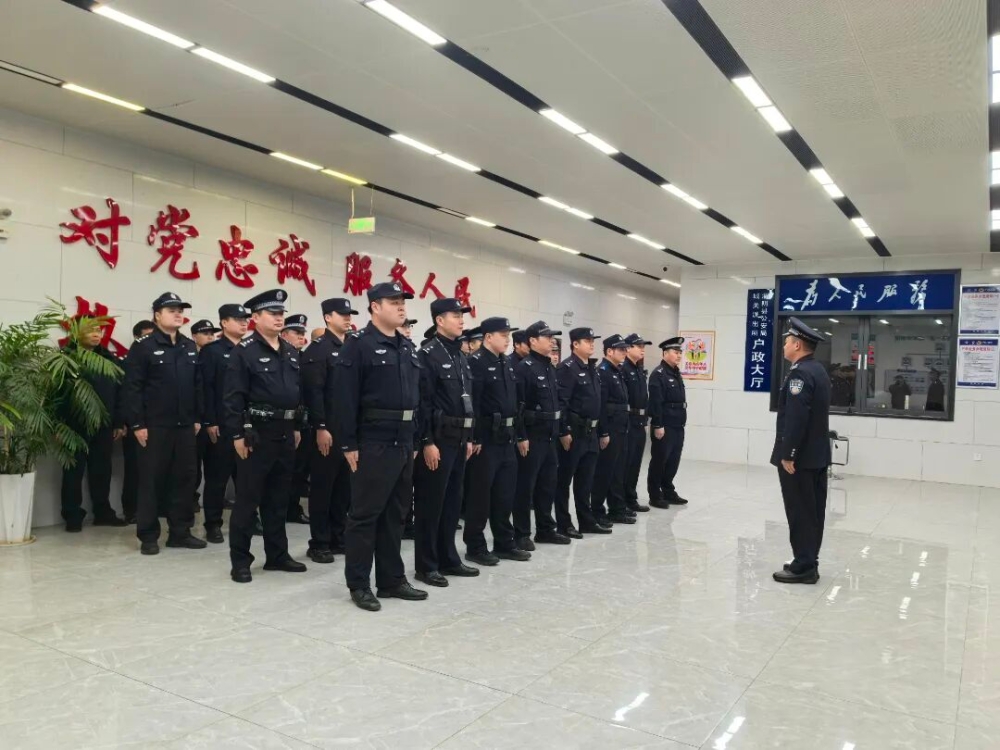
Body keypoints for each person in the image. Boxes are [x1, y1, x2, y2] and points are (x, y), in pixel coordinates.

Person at [330, 281, 428, 612]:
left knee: (395, 514)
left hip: (403, 442)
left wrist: (415, 439)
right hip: (373, 441)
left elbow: (416, 398)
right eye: (393, 301)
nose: (401, 306)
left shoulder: (406, 346)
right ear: (375, 307)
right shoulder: (358, 345)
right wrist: (348, 444)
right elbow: (343, 398)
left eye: (403, 301)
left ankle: (391, 579)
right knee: (364, 515)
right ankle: (359, 583)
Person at [224, 289, 308, 583]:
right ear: (256, 318)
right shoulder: (244, 351)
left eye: (281, 313)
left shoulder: (291, 351)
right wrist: (237, 434)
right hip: (256, 434)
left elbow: (297, 393)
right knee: (248, 500)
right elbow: (233, 397)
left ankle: (277, 555)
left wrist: (296, 427)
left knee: (278, 498)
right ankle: (240, 561)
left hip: (285, 432)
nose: (279, 318)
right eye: (272, 313)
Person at [122, 292, 205, 555]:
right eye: (171, 310)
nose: (178, 314)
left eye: (180, 310)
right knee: (151, 481)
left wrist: (197, 418)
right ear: (157, 315)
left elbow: (197, 385)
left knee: (184, 479)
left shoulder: (188, 345)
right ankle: (148, 535)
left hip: (185, 426)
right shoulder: (143, 346)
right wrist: (137, 424)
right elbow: (132, 387)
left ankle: (180, 532)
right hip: (154, 426)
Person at [413, 298, 479, 587]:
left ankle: (448, 558)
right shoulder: (428, 354)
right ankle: (426, 565)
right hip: (437, 441)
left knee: (452, 503)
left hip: (458, 439)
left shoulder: (460, 355)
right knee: (431, 504)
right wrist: (427, 441)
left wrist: (469, 438)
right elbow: (423, 403)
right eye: (455, 315)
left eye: (461, 315)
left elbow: (466, 401)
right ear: (439, 320)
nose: (461, 319)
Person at [464, 317, 531, 565]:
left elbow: (516, 405)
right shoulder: (476, 362)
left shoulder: (507, 363)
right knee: (480, 497)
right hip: (486, 440)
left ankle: (504, 543)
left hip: (507, 438)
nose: (508, 339)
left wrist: (520, 435)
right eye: (503, 335)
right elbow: (473, 403)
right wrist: (475, 437)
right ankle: (475, 546)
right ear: (488, 337)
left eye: (509, 335)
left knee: (504, 495)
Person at [771, 317, 831, 585]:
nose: (784, 345)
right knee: (814, 511)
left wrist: (788, 454)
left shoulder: (799, 374)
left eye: (787, 341)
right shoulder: (818, 370)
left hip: (800, 459)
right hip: (816, 455)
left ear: (797, 345)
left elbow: (796, 418)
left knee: (800, 511)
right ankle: (808, 559)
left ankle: (804, 566)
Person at [302, 297, 357, 564]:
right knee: (323, 488)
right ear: (327, 317)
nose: (347, 318)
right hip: (328, 429)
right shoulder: (319, 349)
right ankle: (319, 542)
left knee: (344, 488)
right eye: (341, 314)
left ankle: (338, 536)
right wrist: (320, 427)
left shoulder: (352, 346)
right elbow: (314, 392)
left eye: (349, 314)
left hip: (349, 431)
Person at [60, 321, 127, 532]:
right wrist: (58, 426)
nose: (96, 334)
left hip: (104, 425)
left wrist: (118, 422)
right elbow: (56, 394)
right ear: (77, 332)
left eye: (99, 330)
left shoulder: (108, 359)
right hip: (73, 425)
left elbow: (119, 393)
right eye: (91, 330)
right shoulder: (66, 358)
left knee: (102, 470)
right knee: (73, 472)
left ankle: (102, 512)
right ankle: (72, 515)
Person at [198, 303, 251, 543]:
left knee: (247, 478)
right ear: (224, 323)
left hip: (247, 425)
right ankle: (213, 524)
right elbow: (206, 388)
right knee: (217, 478)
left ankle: (248, 520)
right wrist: (209, 420)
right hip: (221, 424)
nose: (243, 323)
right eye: (238, 319)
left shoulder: (250, 349)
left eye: (245, 319)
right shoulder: (213, 351)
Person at [514, 320, 569, 548]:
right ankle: (521, 533)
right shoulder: (524, 368)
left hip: (550, 436)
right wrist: (521, 436)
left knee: (548, 485)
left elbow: (558, 403)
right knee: (526, 487)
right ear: (533, 341)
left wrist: (562, 430)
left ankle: (546, 530)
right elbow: (517, 406)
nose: (552, 341)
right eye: (547, 337)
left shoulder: (549, 368)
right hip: (532, 435)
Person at [554, 327, 608, 537]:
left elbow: (597, 403)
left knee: (586, 481)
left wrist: (601, 431)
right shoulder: (567, 368)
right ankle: (564, 523)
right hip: (574, 432)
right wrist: (563, 431)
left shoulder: (591, 368)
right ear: (575, 344)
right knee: (564, 480)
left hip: (591, 432)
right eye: (587, 341)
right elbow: (562, 403)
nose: (592, 344)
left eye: (592, 340)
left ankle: (586, 521)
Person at [591, 335, 633, 525]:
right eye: (621, 350)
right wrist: (604, 432)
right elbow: (601, 406)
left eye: (625, 349)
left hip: (621, 427)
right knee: (604, 472)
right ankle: (597, 511)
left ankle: (617, 508)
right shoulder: (603, 372)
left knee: (617, 471)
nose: (624, 353)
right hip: (611, 428)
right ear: (609, 351)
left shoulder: (617, 371)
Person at [647, 337, 688, 509]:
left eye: (680, 352)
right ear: (665, 353)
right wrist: (658, 425)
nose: (679, 355)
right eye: (675, 352)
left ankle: (668, 490)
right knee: (660, 460)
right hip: (665, 425)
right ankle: (655, 495)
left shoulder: (675, 373)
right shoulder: (658, 374)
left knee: (673, 460)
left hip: (678, 424)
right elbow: (655, 402)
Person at [120, 319, 154, 524]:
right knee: (134, 469)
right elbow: (127, 394)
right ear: (137, 337)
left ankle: (153, 508)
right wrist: (128, 422)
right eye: (147, 336)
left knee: (154, 470)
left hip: (156, 423)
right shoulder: (130, 359)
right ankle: (131, 510)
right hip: (135, 423)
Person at [281, 314, 311, 524]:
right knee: (283, 471)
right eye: (296, 333)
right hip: (284, 422)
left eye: (303, 333)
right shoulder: (279, 356)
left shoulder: (305, 358)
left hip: (304, 422)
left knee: (300, 469)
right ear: (284, 334)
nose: (301, 337)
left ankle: (292, 508)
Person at [190, 319, 221, 515]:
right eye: (205, 334)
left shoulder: (216, 356)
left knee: (214, 464)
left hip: (215, 418)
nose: (210, 337)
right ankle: (191, 498)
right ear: (194, 336)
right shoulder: (189, 356)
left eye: (212, 334)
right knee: (192, 465)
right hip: (195, 420)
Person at [622, 334, 651, 514]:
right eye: (639, 346)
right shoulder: (623, 369)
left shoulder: (639, 369)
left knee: (635, 464)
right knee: (625, 464)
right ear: (628, 348)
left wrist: (645, 420)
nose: (642, 349)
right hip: (629, 422)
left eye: (643, 346)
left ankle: (631, 498)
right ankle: (622, 501)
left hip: (640, 422)